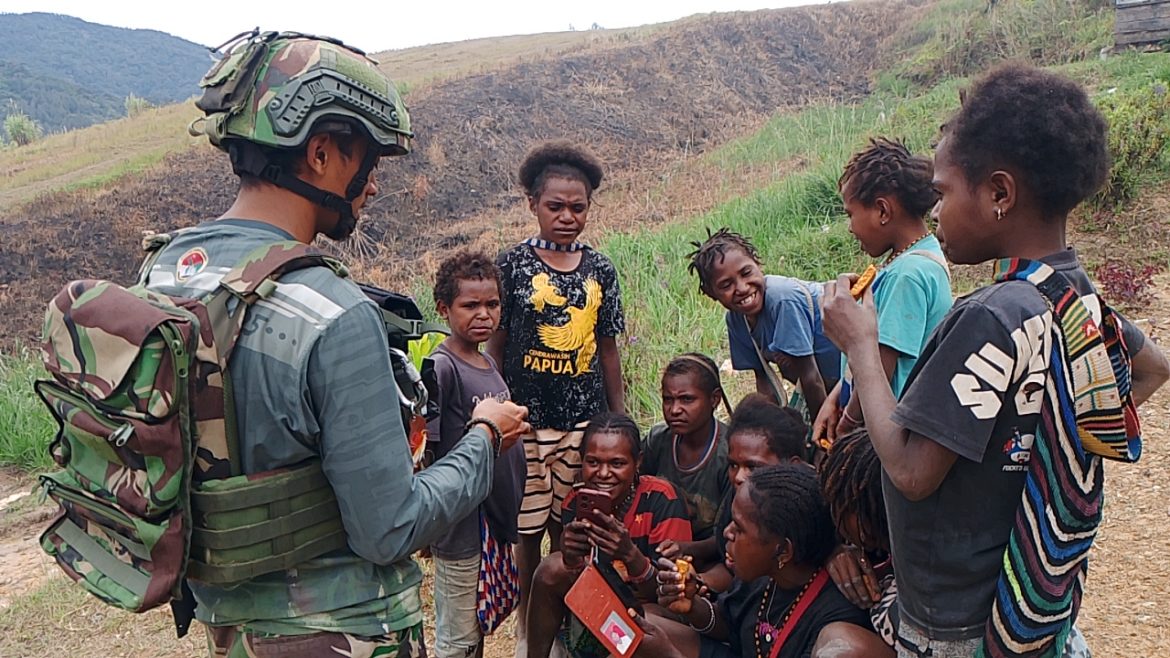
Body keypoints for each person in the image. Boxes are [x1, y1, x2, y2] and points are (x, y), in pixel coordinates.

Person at [164, 31, 530, 657]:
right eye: (372, 161)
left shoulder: (169, 270)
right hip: (342, 632)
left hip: (228, 628)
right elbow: (391, 528)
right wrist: (485, 436)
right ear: (323, 151)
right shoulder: (334, 313)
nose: (375, 184)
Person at [821, 63, 1170, 657]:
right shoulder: (1072, 295)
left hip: (958, 621)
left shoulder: (991, 314)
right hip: (1035, 605)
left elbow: (908, 472)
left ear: (999, 194)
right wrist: (1044, 439)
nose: (934, 214)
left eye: (942, 193)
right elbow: (1153, 368)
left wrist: (859, 347)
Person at [486, 140, 627, 650]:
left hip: (582, 426)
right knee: (527, 535)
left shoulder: (601, 270)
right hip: (526, 427)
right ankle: (528, 632)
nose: (567, 217)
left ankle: (567, 627)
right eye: (555, 207)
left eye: (578, 207)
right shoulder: (513, 266)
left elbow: (607, 349)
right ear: (532, 205)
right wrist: (499, 412)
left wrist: (619, 419)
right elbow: (497, 346)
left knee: (573, 530)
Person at [647, 464, 890, 658]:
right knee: (639, 628)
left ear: (783, 551)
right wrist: (692, 606)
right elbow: (732, 625)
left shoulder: (835, 620)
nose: (726, 533)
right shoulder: (762, 578)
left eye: (739, 529)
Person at [813, 138, 953, 445]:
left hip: (886, 435)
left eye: (850, 214)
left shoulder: (908, 275)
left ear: (882, 210)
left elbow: (880, 365)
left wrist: (848, 424)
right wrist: (835, 399)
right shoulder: (913, 261)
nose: (850, 228)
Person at [525, 413, 692, 658]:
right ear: (581, 462)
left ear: (638, 463)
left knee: (634, 624)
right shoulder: (576, 503)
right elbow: (579, 577)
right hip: (602, 603)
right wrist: (570, 557)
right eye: (593, 462)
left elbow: (672, 595)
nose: (603, 473)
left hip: (653, 614)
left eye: (617, 464)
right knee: (551, 568)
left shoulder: (662, 499)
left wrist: (630, 555)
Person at [427, 251, 526, 658]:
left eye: (492, 304)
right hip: (463, 526)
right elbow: (429, 450)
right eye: (470, 305)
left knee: (477, 624)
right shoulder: (441, 366)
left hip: (492, 521)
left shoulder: (485, 360)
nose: (483, 314)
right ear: (443, 309)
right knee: (458, 637)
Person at [660, 394, 809, 594]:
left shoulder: (804, 521)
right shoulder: (740, 496)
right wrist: (696, 581)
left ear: (792, 466)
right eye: (733, 465)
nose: (739, 477)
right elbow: (730, 566)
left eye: (753, 467)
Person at [687, 228, 839, 422]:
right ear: (711, 293)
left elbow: (810, 377)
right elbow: (764, 380)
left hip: (854, 375)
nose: (742, 288)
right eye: (726, 285)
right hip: (830, 387)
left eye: (746, 272)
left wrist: (822, 436)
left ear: (757, 263)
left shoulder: (782, 299)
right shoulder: (737, 320)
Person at [641, 353, 732, 543]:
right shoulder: (657, 440)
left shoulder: (729, 453)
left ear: (714, 399)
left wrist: (685, 550)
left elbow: (728, 536)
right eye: (668, 399)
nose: (674, 410)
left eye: (687, 400)